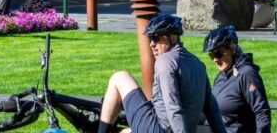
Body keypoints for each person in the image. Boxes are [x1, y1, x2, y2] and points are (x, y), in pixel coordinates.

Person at [95, 13, 224, 133]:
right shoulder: (198, 64)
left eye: (156, 38)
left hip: (159, 129)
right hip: (180, 129)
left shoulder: (165, 61)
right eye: (150, 38)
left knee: (120, 77)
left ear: (173, 37)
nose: (151, 44)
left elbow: (174, 108)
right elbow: (211, 109)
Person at [204, 26, 271, 133]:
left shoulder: (246, 74)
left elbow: (261, 111)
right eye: (211, 55)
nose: (215, 60)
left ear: (233, 49)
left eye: (218, 53)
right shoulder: (221, 75)